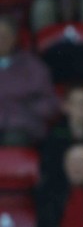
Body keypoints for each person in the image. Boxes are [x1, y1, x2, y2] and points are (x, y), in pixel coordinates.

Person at [0, 15, 58, 146]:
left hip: (22, 127)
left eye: (5, 35)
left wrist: (26, 108)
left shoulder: (33, 67)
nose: (1, 40)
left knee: (13, 139)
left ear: (14, 38)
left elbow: (50, 103)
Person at [41, 84, 83, 183]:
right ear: (65, 106)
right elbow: (49, 168)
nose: (81, 107)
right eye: (76, 103)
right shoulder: (55, 134)